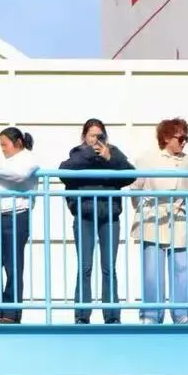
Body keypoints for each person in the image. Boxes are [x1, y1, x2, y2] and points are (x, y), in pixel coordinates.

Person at [59, 121, 134, 325]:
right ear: (84, 136)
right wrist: (89, 154)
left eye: (100, 136)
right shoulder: (78, 154)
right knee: (85, 267)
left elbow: (131, 174)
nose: (96, 140)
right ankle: (82, 316)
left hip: (109, 216)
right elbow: (64, 171)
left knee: (109, 267)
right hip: (84, 215)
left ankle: (112, 316)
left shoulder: (113, 153)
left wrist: (110, 158)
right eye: (92, 135)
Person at [128, 118, 188, 325]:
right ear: (166, 137)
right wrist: (144, 210)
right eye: (180, 138)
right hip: (153, 218)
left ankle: (184, 314)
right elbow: (135, 189)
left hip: (179, 218)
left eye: (187, 138)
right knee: (152, 271)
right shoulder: (147, 158)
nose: (184, 142)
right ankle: (151, 315)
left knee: (183, 268)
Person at [0, 130, 38, 322]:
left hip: (15, 217)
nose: (2, 149)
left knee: (13, 266)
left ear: (18, 142)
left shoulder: (27, 158)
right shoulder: (4, 162)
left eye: (5, 144)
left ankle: (11, 313)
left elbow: (19, 175)